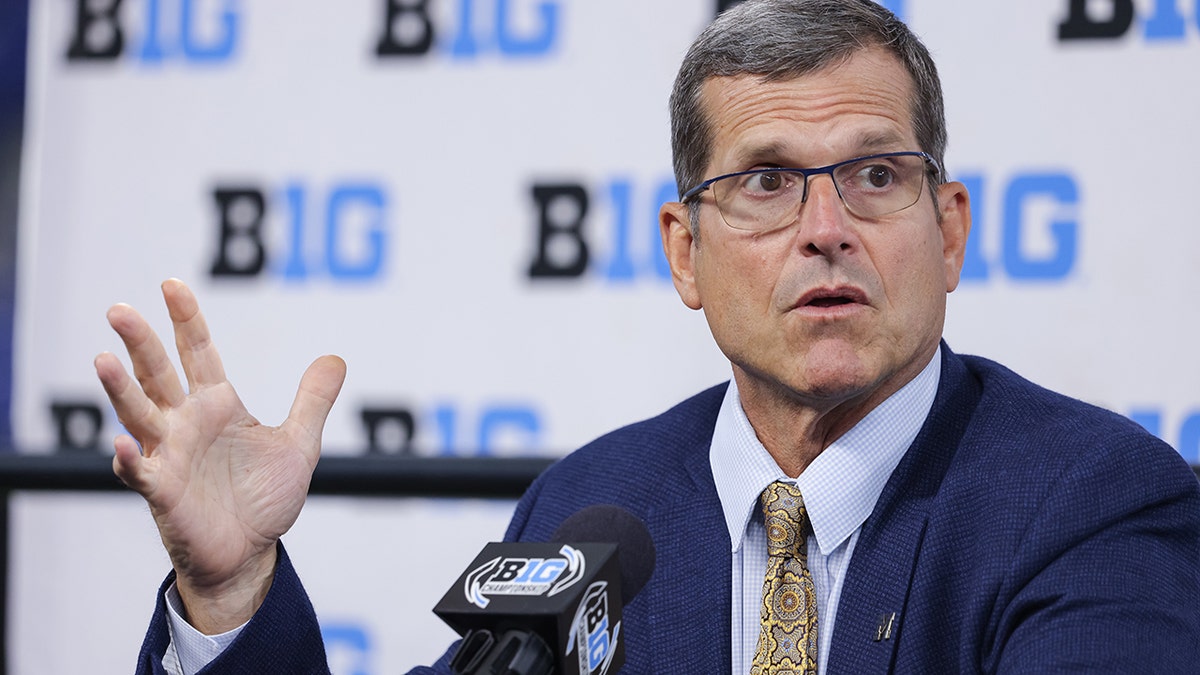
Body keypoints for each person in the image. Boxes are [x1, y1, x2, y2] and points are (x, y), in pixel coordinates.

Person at [95, 0, 1200, 673]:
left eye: (874, 176)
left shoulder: (1092, 500)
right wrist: (231, 594)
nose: (827, 230)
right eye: (767, 182)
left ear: (948, 232)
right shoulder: (590, 504)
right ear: (685, 252)